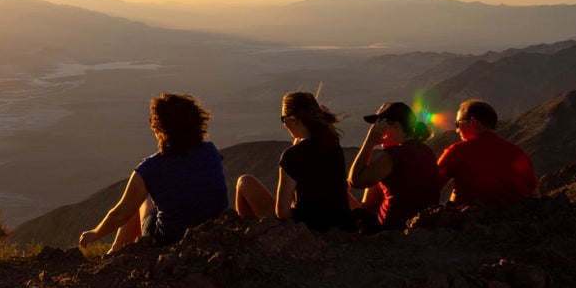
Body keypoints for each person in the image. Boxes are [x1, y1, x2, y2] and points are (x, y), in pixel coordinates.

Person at [78, 93, 227, 253]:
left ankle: (115, 251)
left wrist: (95, 233)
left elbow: (120, 214)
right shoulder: (210, 150)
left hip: (169, 239)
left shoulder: (151, 168)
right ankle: (115, 250)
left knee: (141, 200)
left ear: (161, 128)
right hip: (215, 232)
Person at [234, 91, 354, 232]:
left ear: (293, 119)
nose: (284, 123)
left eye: (283, 118)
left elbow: (282, 213)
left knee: (244, 182)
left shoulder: (292, 156)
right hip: (341, 225)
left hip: (307, 228)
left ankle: (247, 239)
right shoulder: (333, 145)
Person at [348, 101, 442, 232]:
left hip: (389, 231)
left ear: (395, 126)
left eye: (379, 125)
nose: (376, 129)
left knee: (334, 187)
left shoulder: (392, 156)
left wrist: (369, 141)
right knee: (378, 182)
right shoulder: (425, 150)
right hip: (420, 226)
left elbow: (354, 181)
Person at [436, 99, 539, 208]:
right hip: (517, 221)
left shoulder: (457, 151)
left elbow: (430, 187)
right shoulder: (519, 154)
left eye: (457, 124)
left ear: (473, 122)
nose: (457, 130)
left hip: (468, 221)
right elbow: (535, 195)